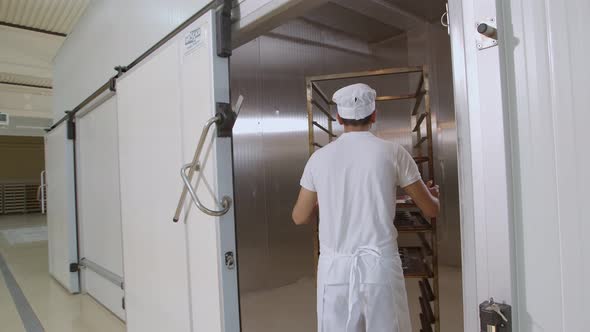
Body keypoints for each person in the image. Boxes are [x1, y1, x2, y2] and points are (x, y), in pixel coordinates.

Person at [292, 83, 440, 332]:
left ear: (339, 118)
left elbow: (299, 216)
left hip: (335, 272)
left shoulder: (319, 158)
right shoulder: (393, 153)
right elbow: (431, 210)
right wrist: (431, 196)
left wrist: (325, 205)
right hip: (379, 268)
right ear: (374, 115)